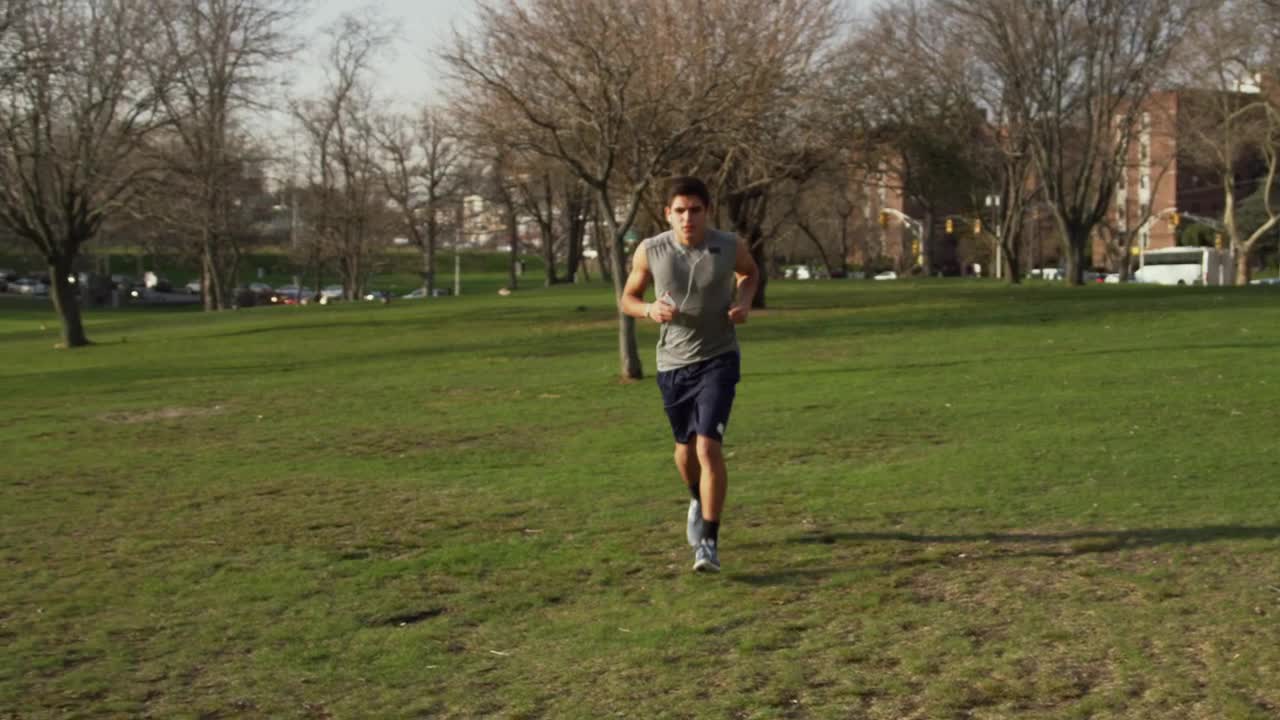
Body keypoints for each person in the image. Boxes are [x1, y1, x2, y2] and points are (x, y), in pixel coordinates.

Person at [621, 176, 760, 573]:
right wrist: (648, 310)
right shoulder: (651, 251)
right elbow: (627, 298)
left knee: (707, 448)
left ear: (706, 212)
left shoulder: (728, 245)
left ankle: (709, 544)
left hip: (719, 358)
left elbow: (750, 273)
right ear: (668, 214)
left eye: (695, 210)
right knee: (684, 452)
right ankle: (697, 498)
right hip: (673, 365)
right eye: (679, 211)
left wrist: (744, 303)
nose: (687, 218)